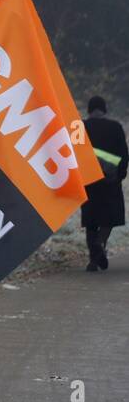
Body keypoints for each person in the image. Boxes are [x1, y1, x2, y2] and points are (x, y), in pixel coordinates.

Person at [79, 95, 127, 272]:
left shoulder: (81, 127)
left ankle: (94, 259)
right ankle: (100, 244)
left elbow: (73, 154)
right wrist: (120, 174)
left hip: (88, 181)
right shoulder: (116, 127)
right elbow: (124, 153)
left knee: (91, 220)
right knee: (109, 218)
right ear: (104, 109)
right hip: (110, 181)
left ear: (89, 110)